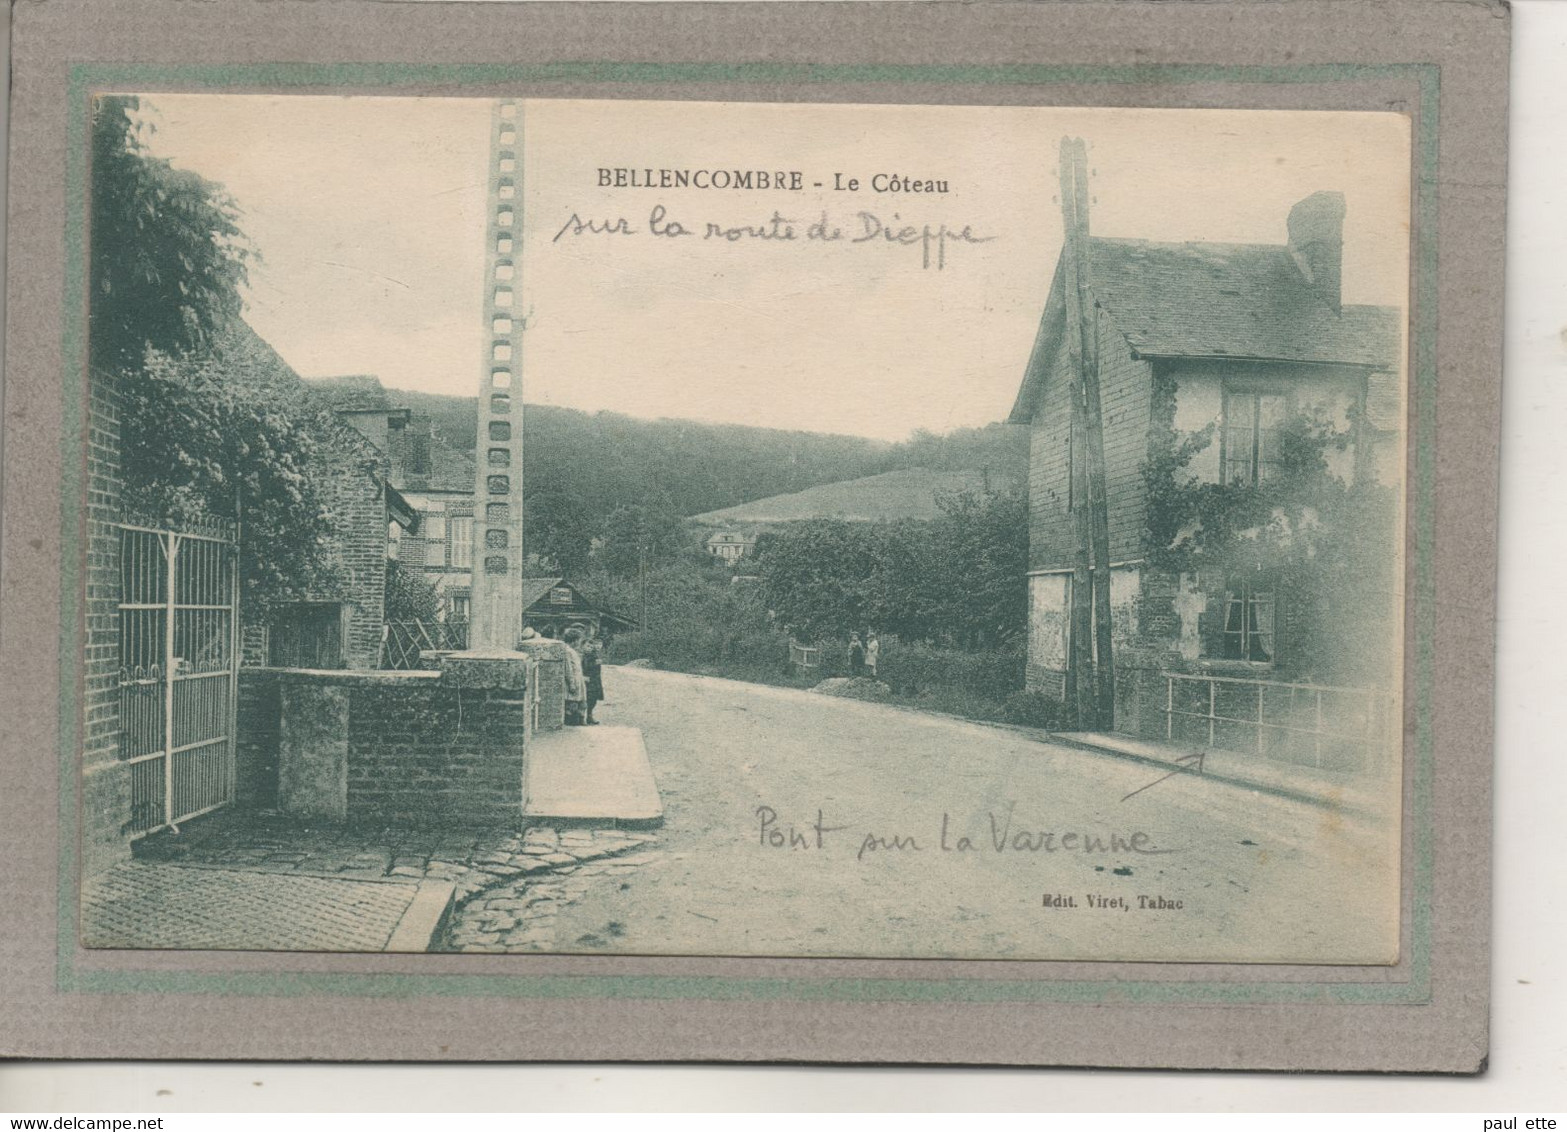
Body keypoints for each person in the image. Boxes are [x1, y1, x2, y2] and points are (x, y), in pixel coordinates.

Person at [577, 627, 605, 725]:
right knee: (587, 699)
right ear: (582, 646)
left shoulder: (593, 655)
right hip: (588, 680)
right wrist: (596, 663)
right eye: (588, 646)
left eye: (591, 646)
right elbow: (585, 666)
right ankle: (583, 718)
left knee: (593, 699)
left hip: (595, 680)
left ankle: (589, 716)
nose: (590, 648)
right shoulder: (583, 656)